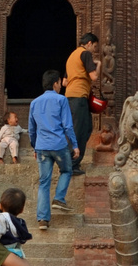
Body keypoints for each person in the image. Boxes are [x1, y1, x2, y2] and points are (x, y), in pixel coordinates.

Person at [28, 68, 78, 230]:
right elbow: (68, 125)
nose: (60, 86)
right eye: (59, 83)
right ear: (56, 83)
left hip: (42, 147)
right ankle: (59, 199)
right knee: (66, 170)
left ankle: (43, 219)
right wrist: (75, 145)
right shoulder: (61, 100)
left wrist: (34, 146)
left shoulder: (34, 103)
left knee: (44, 182)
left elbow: (32, 129)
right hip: (59, 145)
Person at [64, 32, 101, 175]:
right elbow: (94, 77)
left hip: (70, 96)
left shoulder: (71, 57)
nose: (94, 50)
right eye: (95, 47)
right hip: (79, 96)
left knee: (81, 128)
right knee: (80, 130)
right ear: (89, 43)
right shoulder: (85, 54)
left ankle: (71, 161)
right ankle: (72, 165)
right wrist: (98, 64)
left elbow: (64, 82)